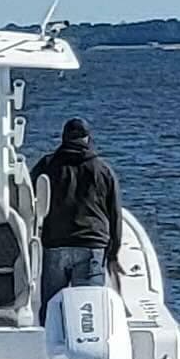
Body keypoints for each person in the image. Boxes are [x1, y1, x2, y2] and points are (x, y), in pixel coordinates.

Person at [32, 117, 122, 320]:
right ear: (88, 139)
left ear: (63, 138)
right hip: (91, 245)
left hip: (55, 244)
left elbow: (29, 197)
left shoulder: (48, 164)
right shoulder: (103, 170)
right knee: (88, 313)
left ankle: (50, 347)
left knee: (52, 313)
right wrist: (113, 254)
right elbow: (115, 214)